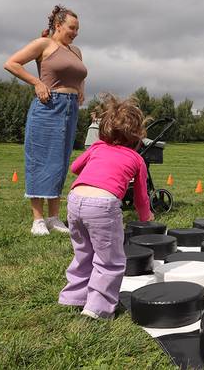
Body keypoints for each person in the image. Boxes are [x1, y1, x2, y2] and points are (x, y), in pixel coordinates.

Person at [58, 95, 153, 319]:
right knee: (110, 260)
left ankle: (73, 297)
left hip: (74, 199)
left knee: (83, 253)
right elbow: (140, 197)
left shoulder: (97, 147)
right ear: (138, 135)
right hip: (103, 206)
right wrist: (145, 217)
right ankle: (97, 308)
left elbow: (74, 167)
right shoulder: (136, 159)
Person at [4, 5, 88, 235]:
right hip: (48, 107)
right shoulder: (44, 44)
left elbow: (79, 74)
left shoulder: (76, 51)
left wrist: (80, 89)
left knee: (60, 163)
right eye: (72, 28)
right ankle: (38, 220)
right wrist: (37, 83)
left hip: (70, 110)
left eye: (77, 29)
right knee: (40, 160)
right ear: (58, 25)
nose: (75, 32)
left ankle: (54, 218)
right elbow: (11, 63)